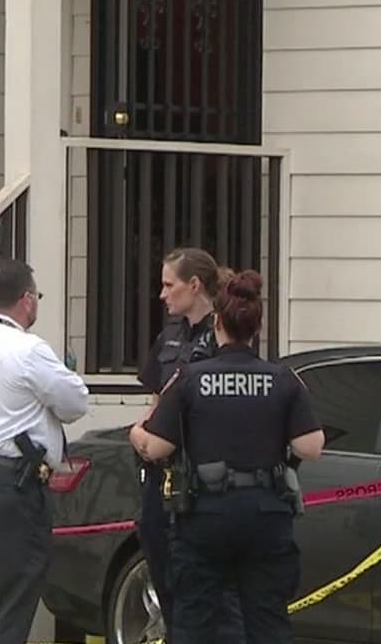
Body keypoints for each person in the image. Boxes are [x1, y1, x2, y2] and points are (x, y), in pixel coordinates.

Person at [131, 270, 325, 644]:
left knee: (195, 622)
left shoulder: (190, 378)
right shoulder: (282, 379)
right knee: (268, 623)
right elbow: (310, 446)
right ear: (258, 327)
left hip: (204, 517)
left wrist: (136, 434)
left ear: (217, 322)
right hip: (266, 516)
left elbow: (156, 448)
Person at [0, 258, 91, 644]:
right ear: (27, 299)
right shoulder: (28, 349)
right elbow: (75, 403)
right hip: (13, 484)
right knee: (12, 596)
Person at [132, 247, 245, 639]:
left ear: (194, 285)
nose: (162, 294)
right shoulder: (169, 336)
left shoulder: (225, 334)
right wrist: (144, 435)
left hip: (204, 477)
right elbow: (155, 402)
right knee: (163, 573)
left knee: (211, 595)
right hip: (161, 476)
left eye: (169, 285)